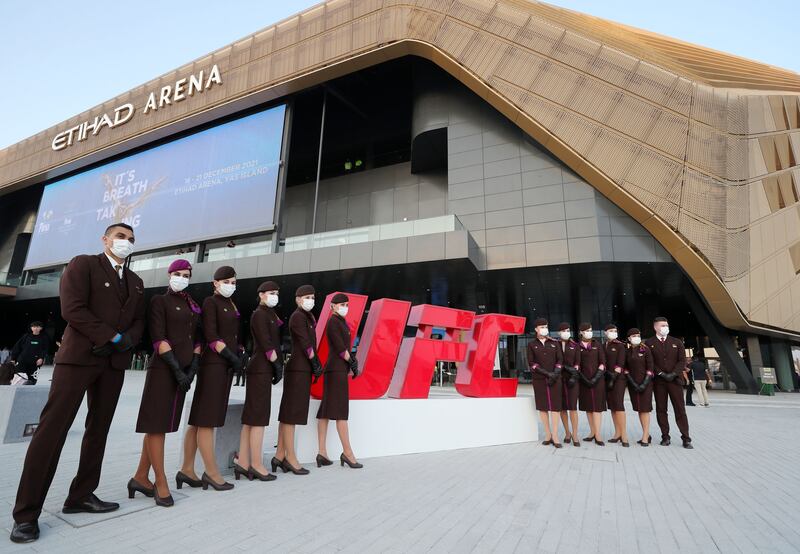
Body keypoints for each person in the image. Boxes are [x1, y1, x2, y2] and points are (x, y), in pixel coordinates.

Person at [10, 223, 145, 544]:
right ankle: (26, 515)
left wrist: (124, 342)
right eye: (121, 237)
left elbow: (139, 320)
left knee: (99, 430)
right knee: (52, 430)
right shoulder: (83, 263)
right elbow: (72, 309)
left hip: (112, 365)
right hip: (79, 358)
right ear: (105, 239)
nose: (126, 242)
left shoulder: (137, 282)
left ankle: (81, 495)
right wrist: (110, 336)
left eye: (131, 239)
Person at [129, 259, 201, 507]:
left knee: (160, 425)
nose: (183, 278)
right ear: (170, 275)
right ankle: (160, 481)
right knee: (157, 426)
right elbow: (158, 338)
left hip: (182, 372)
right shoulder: (159, 301)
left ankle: (140, 477)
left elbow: (197, 340)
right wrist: (177, 371)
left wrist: (191, 369)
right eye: (178, 274)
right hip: (163, 370)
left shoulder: (192, 305)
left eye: (187, 275)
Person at [180, 265, 241, 492]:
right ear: (215, 283)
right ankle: (211, 472)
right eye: (226, 281)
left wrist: (237, 354)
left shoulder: (230, 304)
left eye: (234, 282)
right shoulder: (210, 302)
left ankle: (186, 469)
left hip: (224, 366)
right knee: (206, 420)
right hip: (214, 365)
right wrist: (230, 356)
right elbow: (212, 336)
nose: (230, 286)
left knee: (197, 420)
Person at [233, 281, 284, 482]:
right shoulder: (260, 315)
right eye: (271, 293)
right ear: (261, 295)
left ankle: (243, 462)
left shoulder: (269, 314)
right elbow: (266, 343)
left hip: (261, 369)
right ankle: (256, 463)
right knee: (259, 418)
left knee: (251, 418)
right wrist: (277, 365)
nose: (275, 296)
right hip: (261, 369)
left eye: (277, 293)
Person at [272, 284, 320, 475]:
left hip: (302, 369)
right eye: (307, 297)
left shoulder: (307, 317)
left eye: (313, 297)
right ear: (298, 299)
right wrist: (315, 361)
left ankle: (280, 455)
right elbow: (305, 343)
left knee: (288, 414)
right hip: (298, 369)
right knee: (291, 414)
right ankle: (291, 458)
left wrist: (314, 364)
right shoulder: (298, 316)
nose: (311, 300)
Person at [316, 293, 363, 468]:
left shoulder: (341, 322)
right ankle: (348, 453)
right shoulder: (333, 323)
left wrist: (351, 362)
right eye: (341, 304)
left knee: (326, 410)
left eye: (346, 304)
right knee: (341, 412)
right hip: (336, 370)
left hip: (336, 370)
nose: (345, 307)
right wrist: (352, 361)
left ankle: (322, 452)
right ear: (332, 306)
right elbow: (340, 348)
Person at [645, 317, 693, 449]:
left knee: (680, 409)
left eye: (666, 325)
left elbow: (682, 360)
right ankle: (665, 436)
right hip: (659, 382)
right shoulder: (649, 343)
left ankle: (686, 438)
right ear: (655, 327)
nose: (665, 327)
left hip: (675, 381)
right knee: (661, 409)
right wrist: (660, 373)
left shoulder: (677, 342)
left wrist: (673, 374)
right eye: (662, 325)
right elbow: (650, 362)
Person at [526, 318, 563, 448]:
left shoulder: (555, 343)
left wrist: (555, 373)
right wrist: (547, 374)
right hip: (540, 380)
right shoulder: (531, 344)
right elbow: (532, 363)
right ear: (536, 329)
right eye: (541, 327)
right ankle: (548, 435)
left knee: (555, 408)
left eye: (546, 326)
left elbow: (560, 360)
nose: (544, 329)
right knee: (543, 407)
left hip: (555, 380)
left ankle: (555, 435)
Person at [577, 323, 606, 445]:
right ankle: (592, 432)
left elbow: (603, 362)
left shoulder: (597, 345)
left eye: (591, 330)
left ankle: (598, 434)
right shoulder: (577, 346)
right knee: (588, 407)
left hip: (597, 381)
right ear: (581, 332)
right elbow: (576, 365)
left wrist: (595, 377)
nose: (590, 332)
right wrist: (584, 379)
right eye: (587, 330)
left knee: (597, 408)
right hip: (584, 382)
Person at [624, 328, 654, 446]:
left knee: (645, 409)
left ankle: (645, 436)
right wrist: (632, 382)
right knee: (639, 409)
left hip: (645, 385)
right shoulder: (628, 351)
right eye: (634, 335)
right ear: (629, 338)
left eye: (638, 335)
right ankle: (646, 434)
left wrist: (644, 383)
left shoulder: (645, 349)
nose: (636, 337)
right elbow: (625, 368)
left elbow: (650, 368)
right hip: (633, 385)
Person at [603, 323, 629, 447]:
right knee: (612, 406)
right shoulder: (603, 345)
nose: (613, 332)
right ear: (605, 332)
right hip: (607, 378)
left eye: (615, 330)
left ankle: (624, 435)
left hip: (618, 379)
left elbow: (621, 362)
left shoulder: (620, 346)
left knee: (619, 405)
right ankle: (617, 433)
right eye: (611, 330)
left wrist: (614, 376)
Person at [557, 323, 581, 447]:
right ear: (559, 333)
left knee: (572, 407)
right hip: (559, 380)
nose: (566, 332)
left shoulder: (575, 345)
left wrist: (574, 376)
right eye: (563, 330)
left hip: (572, 380)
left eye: (568, 330)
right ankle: (567, 432)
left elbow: (578, 363)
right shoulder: (554, 344)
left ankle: (575, 434)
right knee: (562, 408)